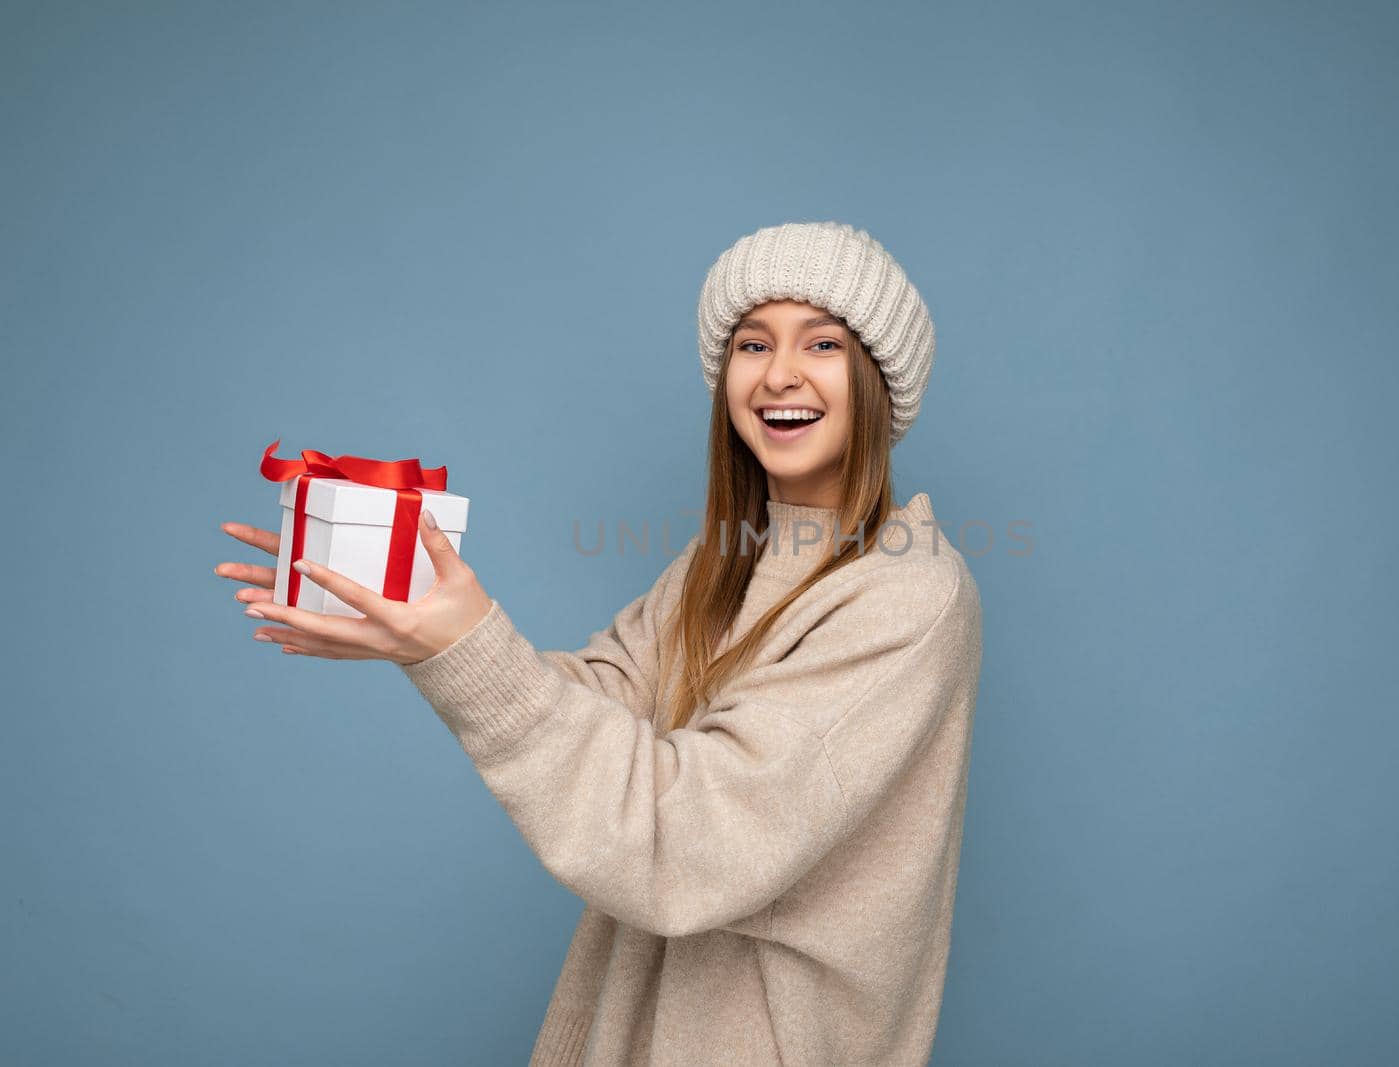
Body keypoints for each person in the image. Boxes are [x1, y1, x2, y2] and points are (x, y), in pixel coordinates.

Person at [216, 220, 983, 1066]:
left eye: (824, 343)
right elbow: (604, 693)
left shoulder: (909, 596)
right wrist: (423, 632)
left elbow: (691, 838)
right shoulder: (725, 558)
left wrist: (469, 648)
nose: (780, 375)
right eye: (752, 342)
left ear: (878, 378)